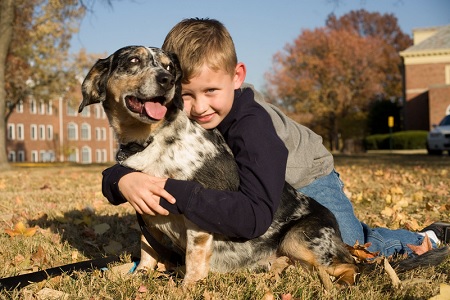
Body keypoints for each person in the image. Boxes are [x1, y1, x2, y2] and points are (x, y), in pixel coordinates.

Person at [102, 18, 449, 258]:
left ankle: (426, 237)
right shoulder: (176, 116)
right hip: (258, 184)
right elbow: (144, 154)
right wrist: (122, 178)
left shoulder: (254, 128)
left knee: (350, 241)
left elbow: (257, 214)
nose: (199, 107)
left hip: (306, 178)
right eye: (186, 94)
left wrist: (174, 193)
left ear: (237, 77)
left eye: (211, 91)